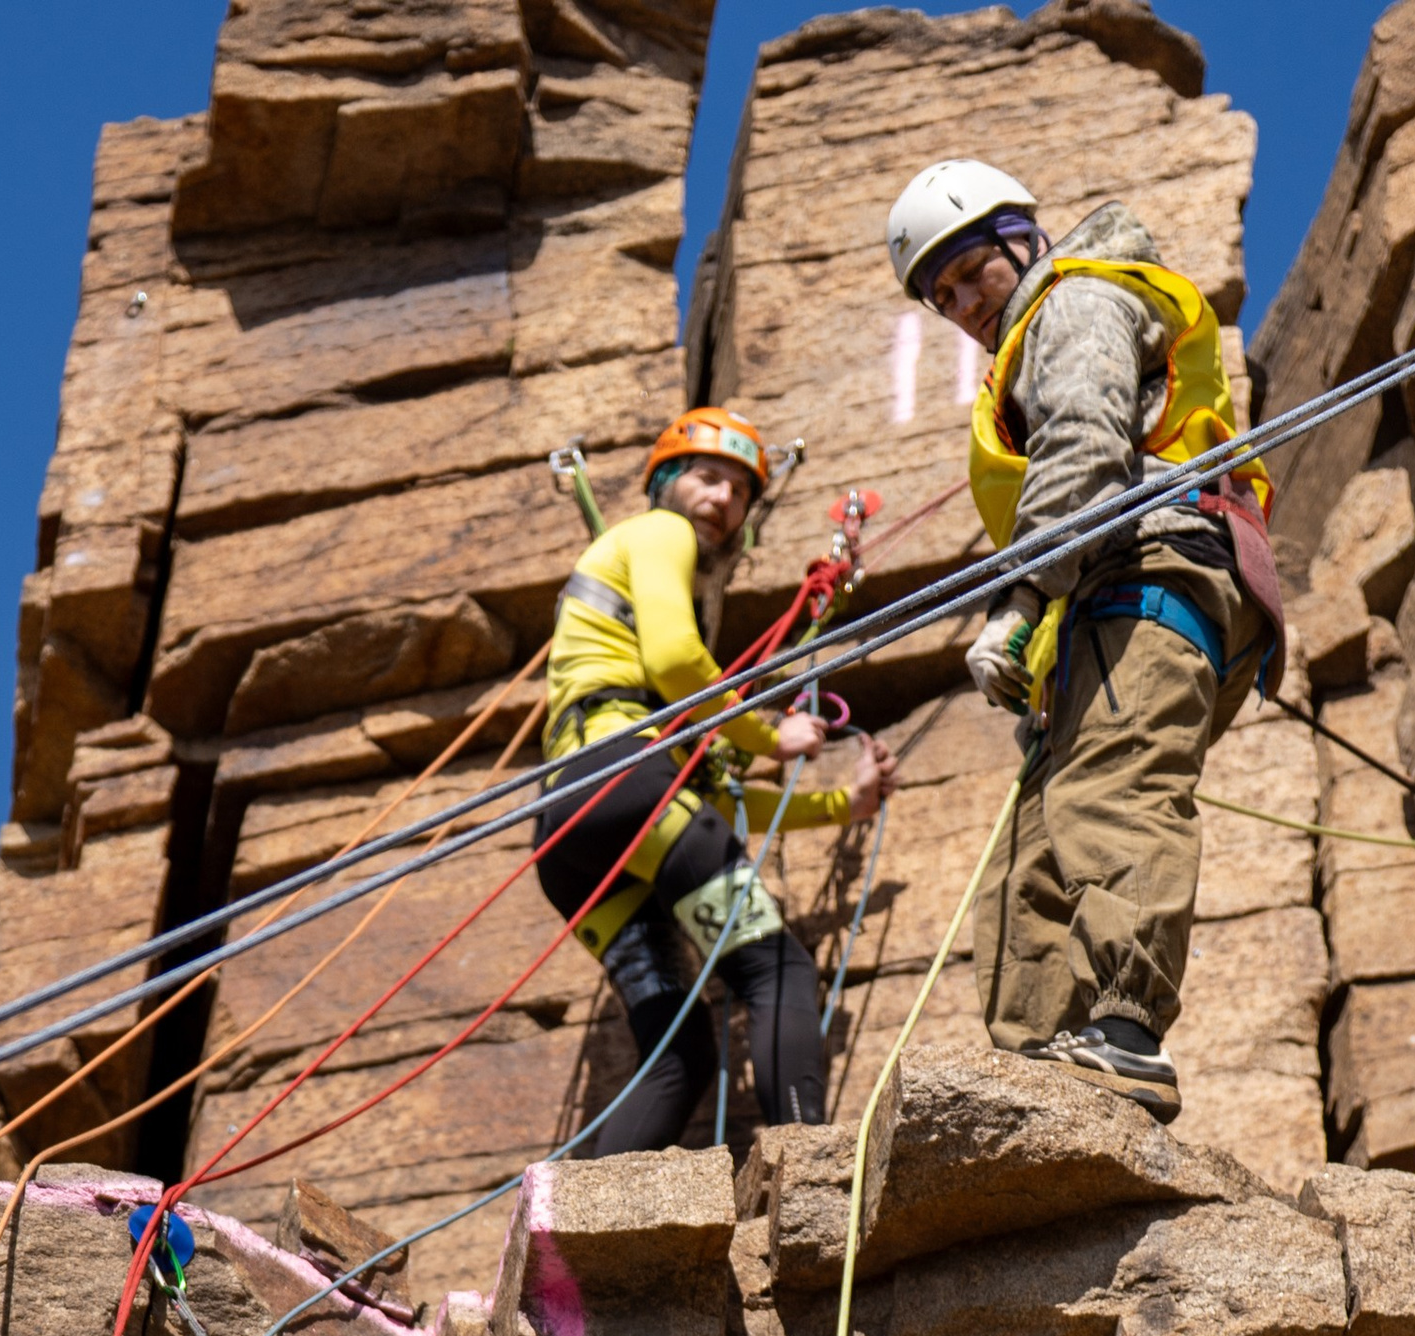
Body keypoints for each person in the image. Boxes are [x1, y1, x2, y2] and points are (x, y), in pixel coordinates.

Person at [886, 163, 1284, 1124]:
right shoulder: (1025, 338)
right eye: (941, 297)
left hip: (1154, 571)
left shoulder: (1077, 302)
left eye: (972, 271)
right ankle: (1041, 1079)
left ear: (1022, 237)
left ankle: (1125, 1033)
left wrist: (1021, 599)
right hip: (1102, 606)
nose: (964, 304)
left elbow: (1086, 444)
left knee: (1112, 792)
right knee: (1037, 865)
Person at [534, 403, 896, 1157]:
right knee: (777, 970)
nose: (723, 499)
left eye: (739, 491)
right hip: (626, 784)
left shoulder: (629, 612)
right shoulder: (657, 535)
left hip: (573, 828)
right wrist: (772, 734)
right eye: (705, 477)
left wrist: (843, 804)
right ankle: (809, 1176)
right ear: (664, 483)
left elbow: (706, 807)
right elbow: (674, 660)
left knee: (681, 1052)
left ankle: (584, 1261)